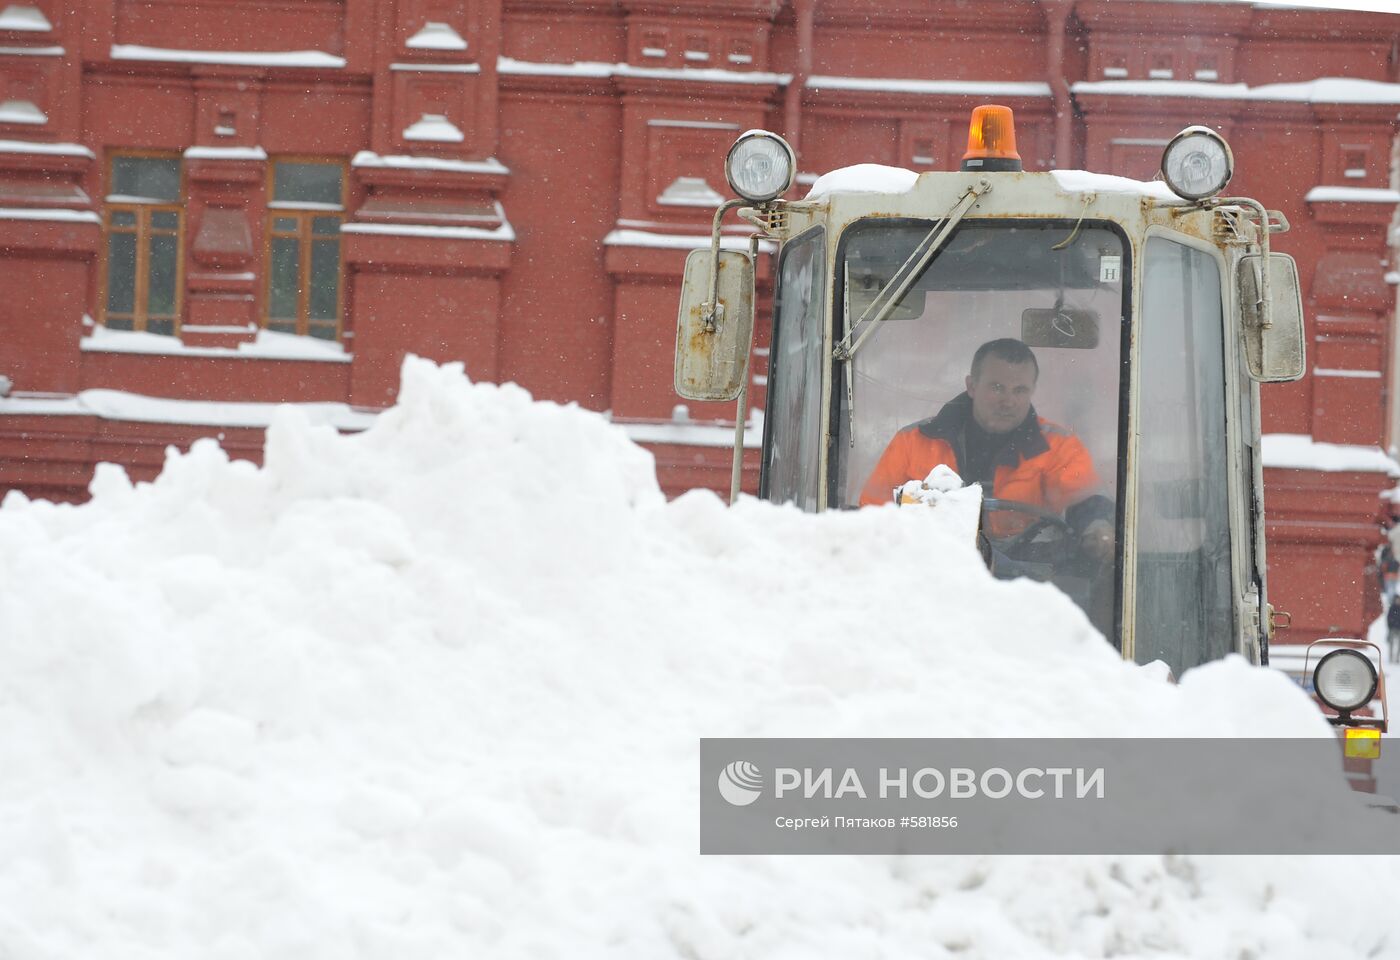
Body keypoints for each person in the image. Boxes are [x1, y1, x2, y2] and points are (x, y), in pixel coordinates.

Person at [860, 338, 1112, 560]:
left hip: (1029, 578)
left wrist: (1097, 527)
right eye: (997, 387)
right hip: (930, 573)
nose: (1008, 401)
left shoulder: (1057, 447)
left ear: (1032, 391)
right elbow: (873, 516)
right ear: (971, 386)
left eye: (1020, 390)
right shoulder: (913, 442)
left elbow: (1085, 501)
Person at [1388, 596, 1400, 663]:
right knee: (1391, 643)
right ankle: (1391, 657)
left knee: (1399, 645)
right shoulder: (1392, 608)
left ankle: (1397, 658)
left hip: (1399, 628)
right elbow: (1389, 617)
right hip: (1392, 628)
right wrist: (1390, 626)